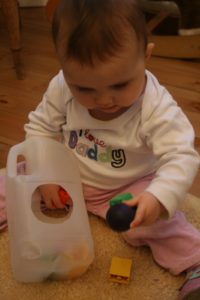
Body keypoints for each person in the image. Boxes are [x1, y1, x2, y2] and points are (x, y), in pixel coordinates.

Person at [24, 0, 200, 299]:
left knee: (152, 225)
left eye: (120, 85)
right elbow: (39, 128)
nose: (104, 100)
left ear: (146, 56)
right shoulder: (62, 86)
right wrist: (45, 175)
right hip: (69, 177)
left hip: (127, 187)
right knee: (13, 184)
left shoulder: (157, 107)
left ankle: (195, 263)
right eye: (85, 89)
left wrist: (157, 198)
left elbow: (181, 156)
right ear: (64, 70)